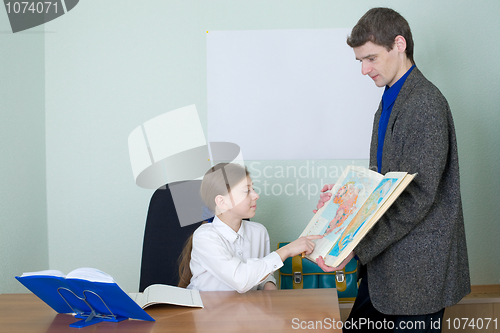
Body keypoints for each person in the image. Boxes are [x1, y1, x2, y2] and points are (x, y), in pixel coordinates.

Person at [315, 7, 470, 332]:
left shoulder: (424, 103)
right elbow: (387, 183)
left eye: (370, 58)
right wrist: (347, 199)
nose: (363, 69)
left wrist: (356, 247)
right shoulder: (392, 98)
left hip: (416, 272)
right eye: (360, 61)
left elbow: (416, 196)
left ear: (399, 44)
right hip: (385, 265)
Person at [178, 163, 322, 293]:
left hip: (244, 312)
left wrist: (269, 283)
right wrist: (287, 250)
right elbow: (240, 280)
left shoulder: (258, 231)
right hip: (207, 314)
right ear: (222, 201)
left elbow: (261, 271)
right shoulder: (205, 237)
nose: (256, 195)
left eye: (253, 188)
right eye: (247, 191)